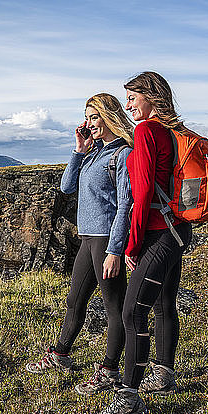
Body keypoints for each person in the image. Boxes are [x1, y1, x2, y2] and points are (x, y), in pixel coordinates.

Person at [92, 72, 193, 414]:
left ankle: (129, 398)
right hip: (177, 229)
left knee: (132, 313)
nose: (129, 104)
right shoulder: (168, 131)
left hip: (157, 234)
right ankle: (163, 373)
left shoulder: (147, 131)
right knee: (164, 304)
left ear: (152, 97)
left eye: (134, 97)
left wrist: (130, 245)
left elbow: (142, 193)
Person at [26, 93, 134, 396]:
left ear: (109, 116)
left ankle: (110, 370)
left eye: (94, 117)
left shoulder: (121, 155)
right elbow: (66, 187)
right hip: (88, 237)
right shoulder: (94, 153)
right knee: (75, 300)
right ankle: (60, 354)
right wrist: (79, 151)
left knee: (115, 307)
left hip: (104, 239)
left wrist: (115, 250)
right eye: (87, 118)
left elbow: (126, 204)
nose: (89, 123)